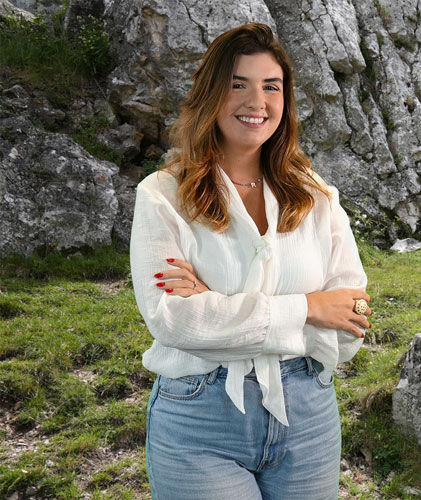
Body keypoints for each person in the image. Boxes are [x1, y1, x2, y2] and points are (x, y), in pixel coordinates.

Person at [130, 22, 372, 500]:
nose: (256, 101)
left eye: (271, 86)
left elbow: (355, 316)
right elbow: (176, 322)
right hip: (200, 419)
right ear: (210, 94)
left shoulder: (317, 197)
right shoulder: (163, 197)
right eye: (238, 84)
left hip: (309, 413)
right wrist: (308, 309)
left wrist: (218, 307)